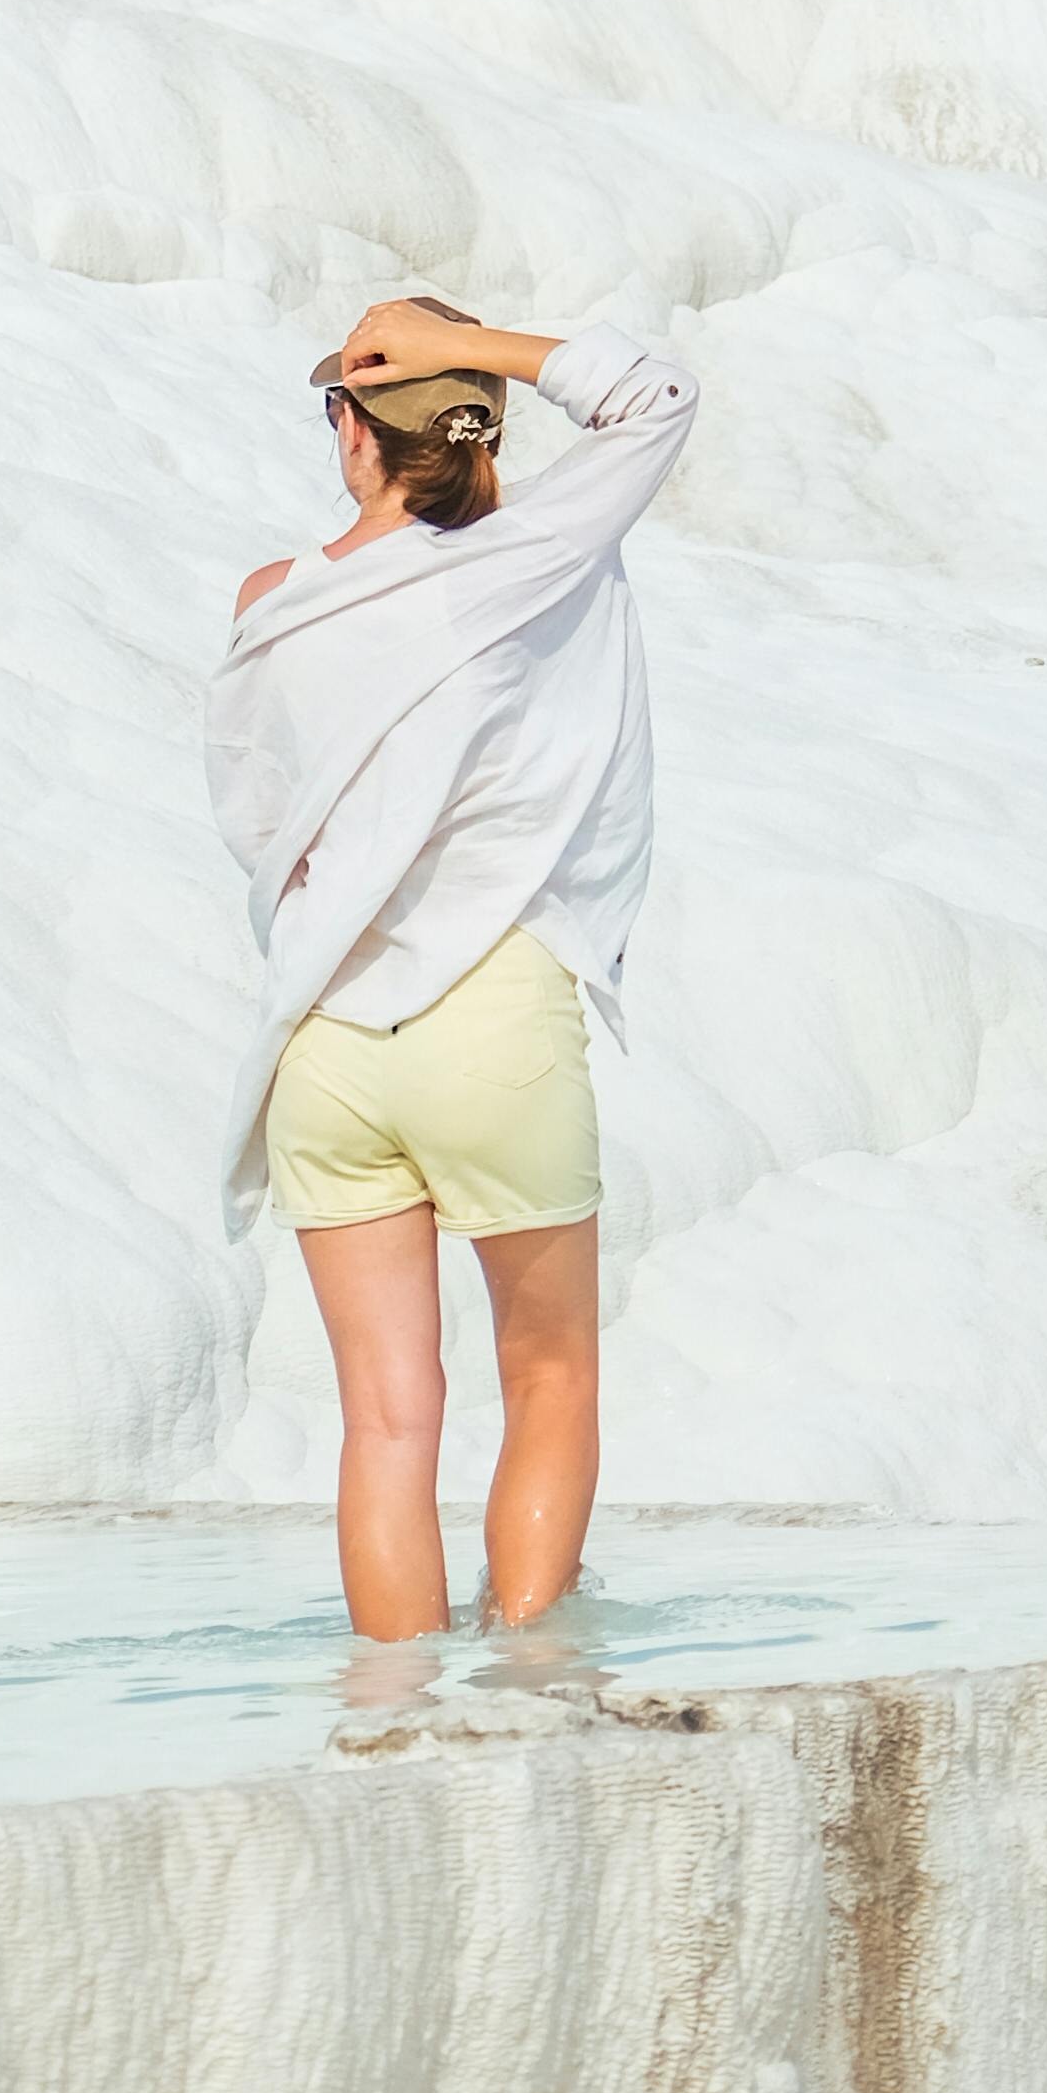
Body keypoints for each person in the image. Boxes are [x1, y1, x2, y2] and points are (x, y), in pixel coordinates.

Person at [205, 288, 700, 1645]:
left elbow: (260, 828)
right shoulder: (540, 550)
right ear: (483, 427)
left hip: (324, 1037)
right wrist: (476, 352)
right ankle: (530, 1707)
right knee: (550, 1381)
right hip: (490, 1017)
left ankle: (386, 1735)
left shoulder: (274, 603)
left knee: (383, 1420)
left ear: (346, 429)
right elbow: (654, 396)